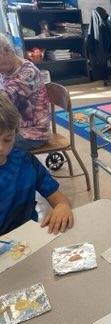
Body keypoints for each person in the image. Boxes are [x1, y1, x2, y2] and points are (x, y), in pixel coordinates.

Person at [0, 93, 73, 235]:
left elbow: (59, 199)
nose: (1, 148)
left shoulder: (25, 161)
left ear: (16, 133)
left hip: (27, 242)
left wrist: (62, 207)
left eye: (7, 139)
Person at [0, 33, 51, 151]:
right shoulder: (6, 70)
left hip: (34, 133)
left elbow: (4, 100)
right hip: (13, 127)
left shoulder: (27, 74)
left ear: (7, 51)